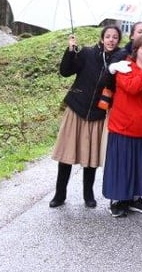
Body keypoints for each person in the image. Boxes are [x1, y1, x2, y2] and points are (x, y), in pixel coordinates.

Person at [48, 24, 121, 208]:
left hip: (98, 112)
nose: (111, 40)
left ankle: (88, 195)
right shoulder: (88, 53)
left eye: (115, 37)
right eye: (108, 36)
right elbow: (65, 71)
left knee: (91, 157)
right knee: (66, 154)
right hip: (76, 108)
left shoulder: (119, 61)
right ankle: (60, 194)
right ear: (102, 38)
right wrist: (71, 51)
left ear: (118, 41)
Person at [103, 34, 142, 217]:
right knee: (121, 165)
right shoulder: (125, 68)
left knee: (140, 166)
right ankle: (117, 200)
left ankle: (135, 198)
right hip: (123, 126)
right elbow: (132, 88)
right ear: (136, 50)